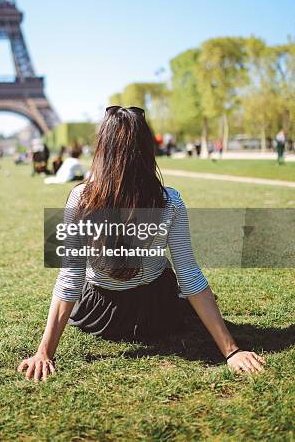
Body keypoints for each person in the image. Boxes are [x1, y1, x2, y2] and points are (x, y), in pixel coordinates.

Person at [19, 106, 265, 381]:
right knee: (184, 287)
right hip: (158, 313)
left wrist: (44, 352)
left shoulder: (80, 198)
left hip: (98, 317)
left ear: (102, 147)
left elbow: (71, 276)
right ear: (148, 147)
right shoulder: (170, 200)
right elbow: (188, 274)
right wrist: (231, 351)